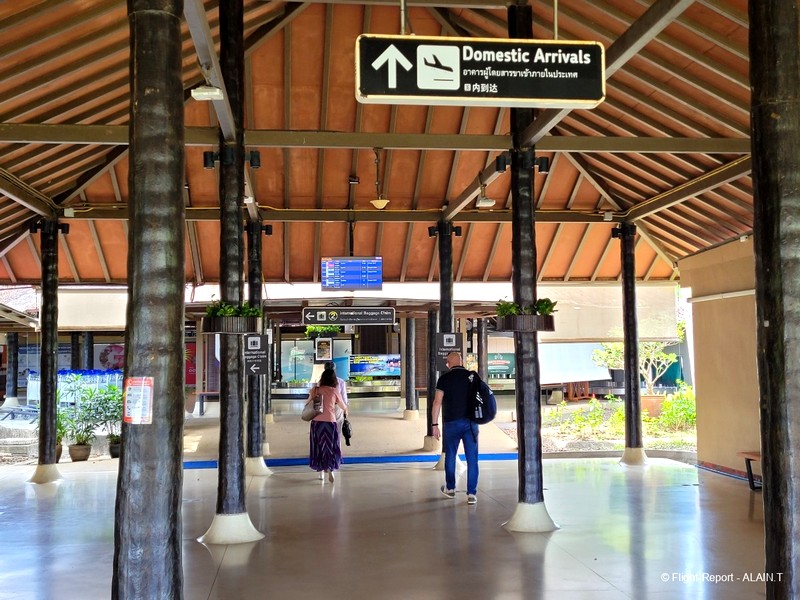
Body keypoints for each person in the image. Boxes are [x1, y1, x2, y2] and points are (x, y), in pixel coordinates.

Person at [431, 351, 479, 505]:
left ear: (448, 364)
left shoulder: (444, 379)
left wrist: (434, 425)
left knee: (450, 455)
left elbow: (437, 403)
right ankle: (471, 494)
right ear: (462, 362)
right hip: (471, 423)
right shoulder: (472, 377)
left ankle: (450, 488)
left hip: (451, 423)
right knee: (472, 459)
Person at [306, 367, 348, 482]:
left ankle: (320, 473)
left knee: (318, 445)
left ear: (322, 378)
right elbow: (343, 406)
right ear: (334, 380)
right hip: (330, 422)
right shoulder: (334, 391)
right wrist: (345, 411)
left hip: (317, 422)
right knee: (330, 446)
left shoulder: (315, 390)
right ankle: (330, 469)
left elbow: (307, 402)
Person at [323, 360, 349, 434]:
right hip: (337, 407)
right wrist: (345, 408)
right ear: (335, 370)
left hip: (324, 407)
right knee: (337, 430)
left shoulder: (320, 382)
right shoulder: (340, 382)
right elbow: (343, 397)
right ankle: (336, 441)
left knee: (326, 429)